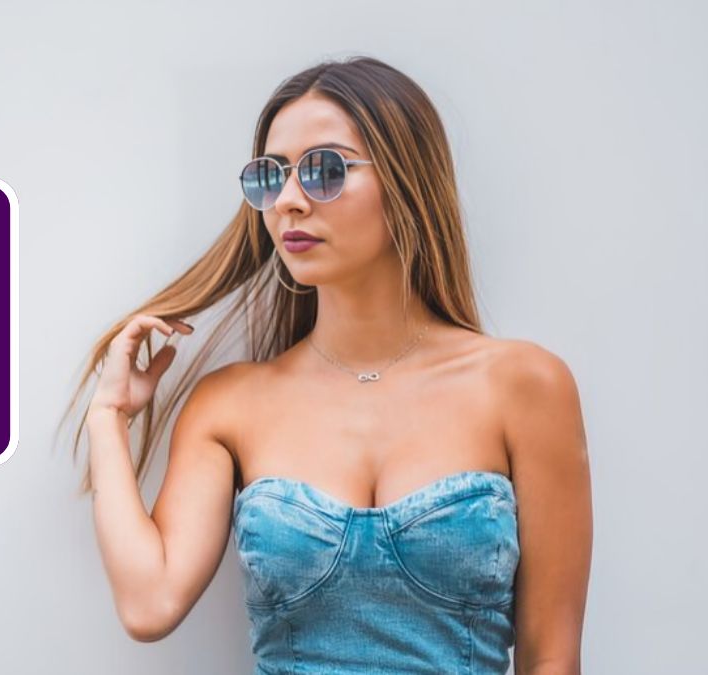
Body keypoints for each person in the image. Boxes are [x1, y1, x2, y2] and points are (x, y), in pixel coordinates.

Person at [60, 55, 592, 674]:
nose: (288, 201)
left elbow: (552, 658)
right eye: (271, 176)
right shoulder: (230, 404)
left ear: (406, 180)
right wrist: (107, 416)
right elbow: (149, 604)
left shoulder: (525, 386)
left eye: (322, 170)